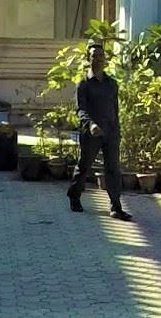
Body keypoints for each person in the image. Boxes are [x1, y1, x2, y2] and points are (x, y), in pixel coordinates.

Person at [69, 43, 132, 221]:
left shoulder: (112, 84)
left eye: (101, 56)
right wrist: (90, 125)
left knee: (113, 168)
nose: (98, 59)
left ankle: (116, 206)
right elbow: (80, 110)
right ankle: (74, 196)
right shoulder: (84, 84)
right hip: (92, 132)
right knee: (84, 166)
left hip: (111, 131)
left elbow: (115, 108)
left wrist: (117, 130)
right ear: (88, 59)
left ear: (105, 60)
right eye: (94, 56)